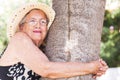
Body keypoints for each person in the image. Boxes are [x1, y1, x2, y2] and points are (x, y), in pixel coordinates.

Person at [0, 2, 108, 80]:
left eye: (43, 22)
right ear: (21, 27)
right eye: (32, 21)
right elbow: (46, 69)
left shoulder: (43, 51)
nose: (38, 25)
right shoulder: (19, 39)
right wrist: (90, 67)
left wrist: (98, 67)